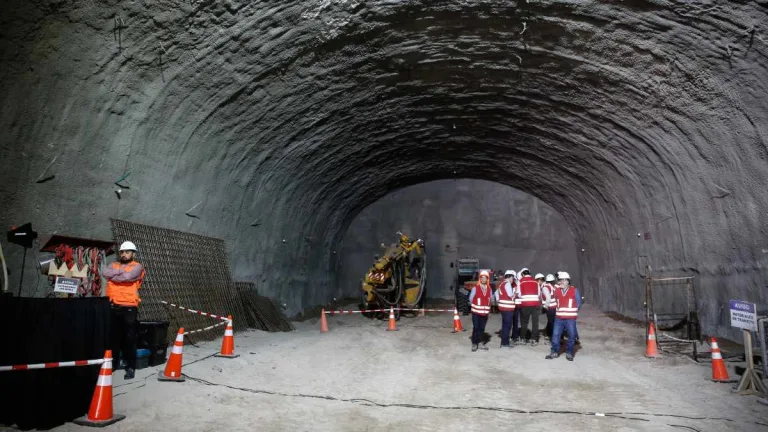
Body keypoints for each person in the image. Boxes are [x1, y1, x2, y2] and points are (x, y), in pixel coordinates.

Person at [103, 241, 146, 379]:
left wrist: (115, 276)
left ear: (133, 253)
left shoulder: (137, 266)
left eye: (127, 252)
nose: (124, 254)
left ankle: (130, 367)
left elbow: (129, 276)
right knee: (113, 338)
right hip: (113, 305)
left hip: (129, 306)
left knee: (129, 339)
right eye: (122, 252)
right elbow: (105, 272)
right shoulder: (114, 264)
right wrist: (121, 272)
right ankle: (113, 364)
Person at [545, 271, 582, 361]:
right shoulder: (557, 291)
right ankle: (554, 351)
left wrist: (571, 311)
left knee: (572, 335)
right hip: (559, 318)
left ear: (567, 281)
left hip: (570, 319)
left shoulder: (574, 290)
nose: (560, 282)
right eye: (560, 280)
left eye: (562, 280)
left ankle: (569, 352)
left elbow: (578, 303)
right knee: (556, 335)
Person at [468, 270, 492, 351]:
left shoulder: (489, 289)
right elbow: (471, 299)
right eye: (482, 277)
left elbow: (490, 299)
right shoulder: (475, 288)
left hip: (485, 313)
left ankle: (481, 342)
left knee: (482, 328)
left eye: (485, 278)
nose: (484, 279)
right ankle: (474, 343)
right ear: (480, 278)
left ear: (487, 279)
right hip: (476, 313)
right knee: (476, 327)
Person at [517, 268, 542, 346]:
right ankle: (534, 339)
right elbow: (538, 293)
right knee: (535, 323)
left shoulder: (520, 281)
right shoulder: (535, 281)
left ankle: (523, 338)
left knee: (524, 322)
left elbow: (519, 294)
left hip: (525, 304)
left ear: (522, 274)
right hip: (535, 304)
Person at [495, 270, 517, 348]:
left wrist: (499, 300)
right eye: (513, 278)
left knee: (505, 325)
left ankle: (504, 342)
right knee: (507, 326)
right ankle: (504, 343)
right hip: (508, 308)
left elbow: (496, 293)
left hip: (502, 308)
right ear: (510, 277)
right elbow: (510, 295)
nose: (513, 280)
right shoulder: (507, 284)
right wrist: (516, 294)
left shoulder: (501, 284)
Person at [541, 274, 557, 340]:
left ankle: (551, 336)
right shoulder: (553, 287)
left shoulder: (545, 287)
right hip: (554, 307)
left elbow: (548, 298)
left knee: (551, 322)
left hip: (550, 307)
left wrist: (545, 306)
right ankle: (552, 335)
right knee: (552, 322)